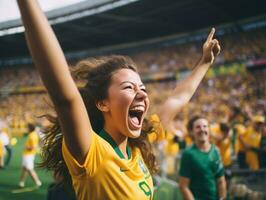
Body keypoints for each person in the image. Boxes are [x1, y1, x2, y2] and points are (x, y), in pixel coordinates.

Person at [17, 1, 220, 199]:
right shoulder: (91, 152)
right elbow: (65, 98)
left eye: (142, 88)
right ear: (102, 103)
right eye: (128, 88)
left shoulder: (139, 146)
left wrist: (204, 63)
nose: (142, 94)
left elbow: (177, 98)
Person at [179, 116, 227, 200]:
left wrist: (222, 198)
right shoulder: (188, 154)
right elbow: (184, 186)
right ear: (192, 132)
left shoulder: (215, 151)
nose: (202, 129)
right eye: (198, 127)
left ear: (209, 130)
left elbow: (221, 181)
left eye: (205, 126)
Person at [18, 123, 42, 187]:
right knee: (24, 168)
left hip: (29, 155)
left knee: (29, 169)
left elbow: (34, 147)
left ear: (30, 128)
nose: (26, 129)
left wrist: (26, 147)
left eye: (27, 127)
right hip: (27, 154)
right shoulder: (32, 134)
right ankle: (22, 182)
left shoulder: (32, 136)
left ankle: (37, 182)